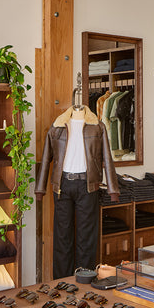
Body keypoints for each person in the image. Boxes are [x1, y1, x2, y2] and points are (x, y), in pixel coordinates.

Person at [35, 80, 119, 279]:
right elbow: (46, 158)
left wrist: (113, 189)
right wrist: (40, 189)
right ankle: (61, 282)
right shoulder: (57, 127)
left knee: (86, 237)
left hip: (88, 186)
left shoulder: (97, 127)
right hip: (62, 186)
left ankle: (85, 280)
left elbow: (107, 158)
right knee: (62, 237)